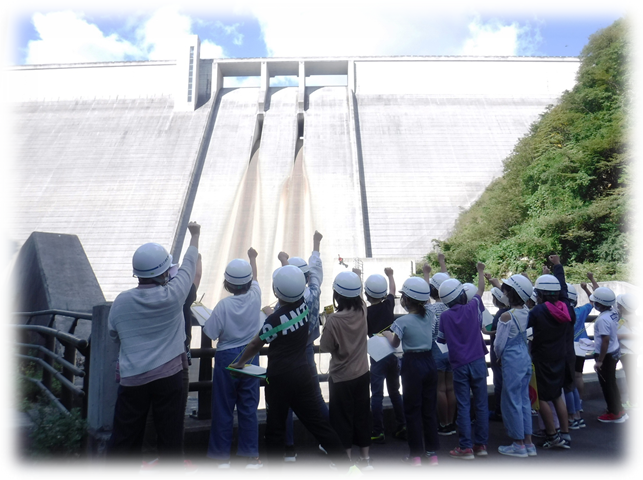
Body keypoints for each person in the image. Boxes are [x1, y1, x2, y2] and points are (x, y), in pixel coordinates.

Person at [229, 265, 364, 480]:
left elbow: (256, 344)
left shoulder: (273, 321)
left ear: (276, 291)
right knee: (319, 425)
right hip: (303, 375)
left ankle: (275, 476)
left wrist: (239, 364)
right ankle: (347, 469)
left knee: (275, 429)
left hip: (280, 379)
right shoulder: (303, 305)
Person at [104, 221, 200, 478]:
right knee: (170, 437)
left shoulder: (122, 301)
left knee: (124, 436)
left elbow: (113, 334)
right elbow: (190, 267)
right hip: (169, 379)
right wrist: (195, 235)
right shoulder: (174, 295)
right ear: (165, 272)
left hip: (133, 380)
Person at [139, 255, 203, 477]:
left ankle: (148, 459)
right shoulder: (180, 295)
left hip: (148, 361)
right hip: (176, 362)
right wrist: (196, 254)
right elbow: (196, 276)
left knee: (149, 411)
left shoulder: (143, 297)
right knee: (175, 415)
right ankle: (174, 461)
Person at [202, 249, 263, 472]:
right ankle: (251, 456)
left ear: (227, 284)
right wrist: (253, 258)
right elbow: (254, 278)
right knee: (248, 406)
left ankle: (222, 457)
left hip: (226, 356)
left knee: (223, 407)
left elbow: (210, 332)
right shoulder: (256, 296)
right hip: (250, 355)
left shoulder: (223, 306)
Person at [277, 231, 329, 463]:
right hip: (308, 349)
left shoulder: (290, 298)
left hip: (287, 353)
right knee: (315, 397)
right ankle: (330, 440)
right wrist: (316, 244)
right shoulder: (314, 291)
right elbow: (315, 269)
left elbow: (288, 282)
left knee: (283, 398)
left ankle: (288, 449)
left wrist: (283, 262)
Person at [382, 277, 440, 467]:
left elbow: (394, 344)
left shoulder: (403, 321)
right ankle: (432, 455)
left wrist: (387, 333)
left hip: (412, 364)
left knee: (412, 410)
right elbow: (434, 335)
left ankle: (415, 455)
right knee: (429, 410)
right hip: (429, 361)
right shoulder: (431, 316)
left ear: (406, 299)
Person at [320, 271, 373, 472]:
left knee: (342, 419)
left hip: (341, 377)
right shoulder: (363, 310)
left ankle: (345, 461)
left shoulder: (333, 320)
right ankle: (366, 459)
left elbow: (326, 347)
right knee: (362, 416)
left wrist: (327, 322)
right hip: (362, 373)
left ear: (337, 295)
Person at [436, 262, 489, 460]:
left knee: (464, 404)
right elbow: (481, 289)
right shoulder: (473, 306)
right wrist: (480, 271)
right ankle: (481, 445)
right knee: (482, 404)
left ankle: (465, 447)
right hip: (478, 361)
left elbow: (441, 340)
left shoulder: (445, 316)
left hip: (458, 364)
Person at [527, 260, 572, 449]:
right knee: (557, 395)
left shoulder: (537, 311)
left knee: (543, 398)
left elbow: (526, 331)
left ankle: (552, 436)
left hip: (542, 358)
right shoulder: (566, 308)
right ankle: (565, 432)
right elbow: (563, 290)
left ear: (540, 293)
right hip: (560, 356)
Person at [494, 275, 536, 458]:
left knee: (511, 400)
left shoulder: (506, 316)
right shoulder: (529, 312)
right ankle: (528, 442)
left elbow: (498, 344)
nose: (503, 292)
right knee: (524, 399)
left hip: (512, 360)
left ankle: (518, 444)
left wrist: (498, 357)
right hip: (525, 357)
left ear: (511, 293)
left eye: (505, 290)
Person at [363, 268, 406, 444]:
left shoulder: (366, 312)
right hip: (393, 352)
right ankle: (402, 425)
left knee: (377, 394)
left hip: (377, 355)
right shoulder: (388, 305)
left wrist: (357, 276)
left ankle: (378, 430)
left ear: (367, 294)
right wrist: (390, 275)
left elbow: (358, 302)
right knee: (395, 391)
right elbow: (392, 291)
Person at [424, 255, 456, 436]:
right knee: (451, 388)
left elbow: (424, 298)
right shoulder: (456, 307)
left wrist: (426, 274)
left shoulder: (431, 309)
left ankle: (443, 423)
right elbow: (448, 285)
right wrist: (443, 263)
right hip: (453, 350)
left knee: (440, 389)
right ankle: (451, 422)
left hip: (436, 350)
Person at [591, 285, 628, 423]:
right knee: (612, 382)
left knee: (607, 384)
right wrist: (593, 282)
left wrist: (599, 361)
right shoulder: (613, 312)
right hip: (615, 351)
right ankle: (619, 409)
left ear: (599, 304)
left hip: (606, 355)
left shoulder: (602, 320)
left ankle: (614, 413)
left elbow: (605, 340)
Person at [484, 274, 510, 423]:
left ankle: (499, 411)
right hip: (510, 353)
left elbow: (500, 331)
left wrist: (487, 332)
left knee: (499, 381)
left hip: (498, 353)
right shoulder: (508, 312)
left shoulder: (501, 314)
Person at [616, 293, 642, 409]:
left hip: (629, 352)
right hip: (629, 351)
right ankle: (640, 397)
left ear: (623, 307)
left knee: (631, 376)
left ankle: (633, 401)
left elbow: (638, 333)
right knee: (633, 375)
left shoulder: (630, 317)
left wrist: (621, 337)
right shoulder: (627, 314)